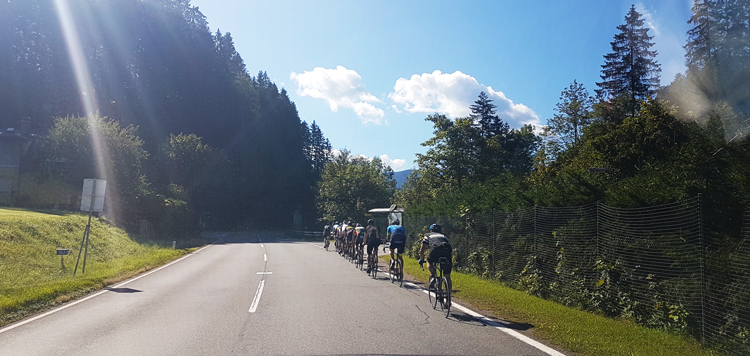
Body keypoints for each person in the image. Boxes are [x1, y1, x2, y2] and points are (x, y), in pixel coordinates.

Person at [419, 224, 452, 305]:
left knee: (429, 261)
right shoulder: (444, 236)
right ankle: (448, 297)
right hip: (447, 251)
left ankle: (433, 275)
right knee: (447, 276)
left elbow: (422, 250)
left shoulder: (428, 235)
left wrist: (421, 259)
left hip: (435, 250)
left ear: (431, 230)